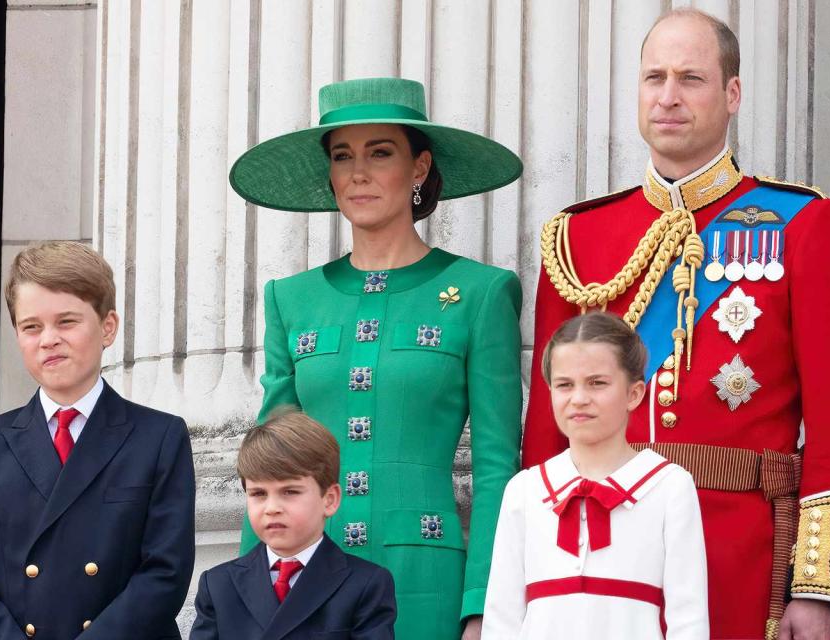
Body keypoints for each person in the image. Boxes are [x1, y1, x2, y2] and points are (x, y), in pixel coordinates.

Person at [522, 8, 830, 640]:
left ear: (732, 94)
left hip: (739, 551)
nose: (669, 96)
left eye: (691, 78)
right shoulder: (577, 238)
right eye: (654, 77)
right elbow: (548, 426)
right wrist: (532, 563)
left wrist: (816, 584)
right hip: (597, 548)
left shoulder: (805, 225)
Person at [228, 76, 524, 639]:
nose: (358, 172)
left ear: (419, 167)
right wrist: (248, 597)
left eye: (380, 152)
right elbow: (270, 460)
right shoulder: (290, 299)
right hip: (312, 572)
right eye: (343, 156)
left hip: (426, 580)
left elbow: (496, 469)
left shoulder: (481, 293)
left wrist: (484, 602)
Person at [0, 241, 196, 639]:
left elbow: (165, 572)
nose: (48, 339)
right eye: (31, 327)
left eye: (66, 322)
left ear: (107, 327)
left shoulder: (160, 437)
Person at [483, 312, 708, 639]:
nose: (579, 399)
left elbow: (689, 618)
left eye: (597, 383)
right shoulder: (525, 490)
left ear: (634, 394)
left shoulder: (669, 486)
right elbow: (501, 618)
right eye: (564, 385)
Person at [190, 410, 397, 639]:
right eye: (258, 493)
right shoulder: (218, 585)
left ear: (329, 500)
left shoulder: (365, 584)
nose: (272, 508)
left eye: (290, 492)